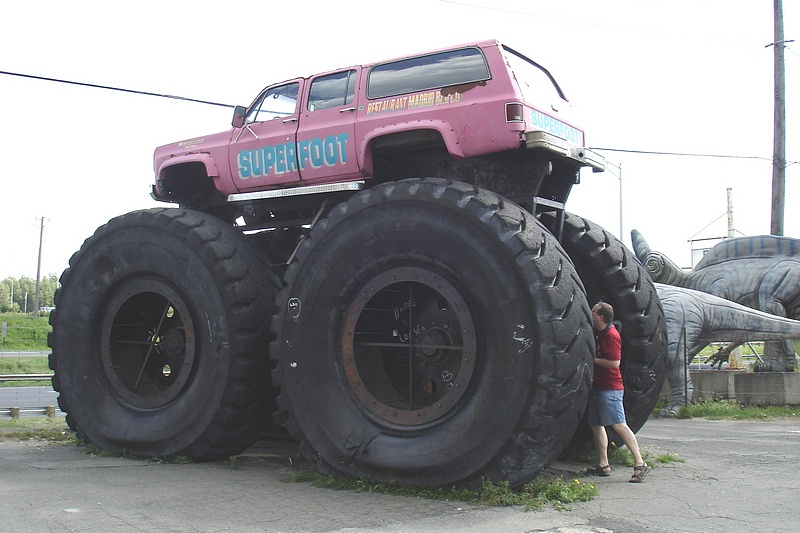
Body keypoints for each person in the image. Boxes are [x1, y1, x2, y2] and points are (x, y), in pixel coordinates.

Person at [587, 301, 650, 483]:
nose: (590, 313)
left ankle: (640, 463)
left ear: (601, 317)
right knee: (596, 424)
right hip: (598, 387)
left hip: (610, 389)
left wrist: (593, 359)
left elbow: (614, 363)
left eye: (593, 311)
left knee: (618, 424)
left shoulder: (611, 335)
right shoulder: (597, 332)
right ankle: (603, 464)